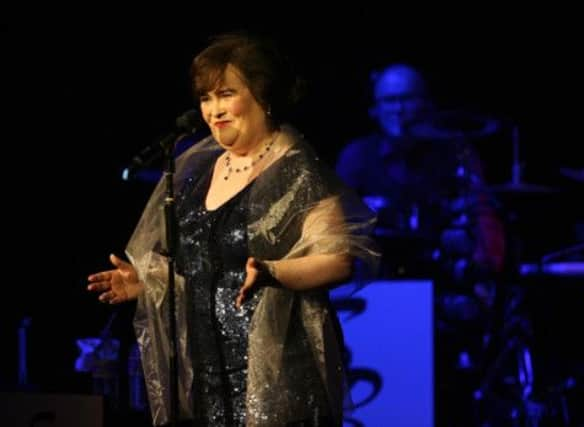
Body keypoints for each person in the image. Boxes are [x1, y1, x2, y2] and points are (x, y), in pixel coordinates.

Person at [87, 32, 379, 427]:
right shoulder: (200, 169)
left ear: (263, 94)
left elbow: (341, 260)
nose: (213, 110)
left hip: (277, 374)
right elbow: (204, 268)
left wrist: (274, 272)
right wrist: (148, 283)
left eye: (226, 94)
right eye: (206, 98)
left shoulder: (298, 170)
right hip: (208, 372)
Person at [336, 62, 507, 426]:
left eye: (407, 99)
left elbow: (481, 219)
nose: (399, 110)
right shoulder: (358, 157)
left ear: (425, 104)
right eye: (390, 100)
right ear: (375, 108)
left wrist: (481, 267)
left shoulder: (453, 156)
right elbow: (336, 229)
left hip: (438, 285)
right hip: (376, 288)